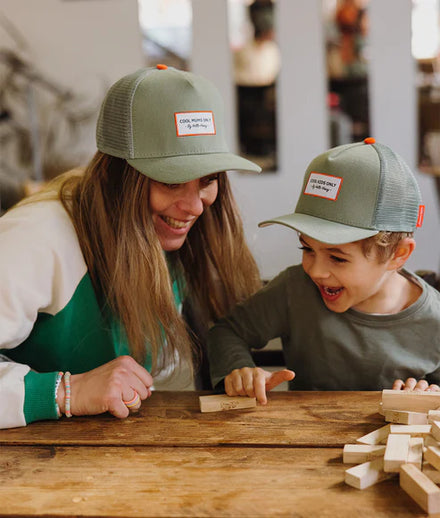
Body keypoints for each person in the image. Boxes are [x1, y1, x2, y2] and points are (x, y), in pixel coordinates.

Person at [0, 65, 262, 429]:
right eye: (171, 181)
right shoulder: (34, 238)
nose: (195, 207)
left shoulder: (171, 238)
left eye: (208, 180)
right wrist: (66, 392)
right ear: (115, 176)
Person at [207, 138, 440, 404]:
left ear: (398, 254)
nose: (316, 271)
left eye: (337, 258)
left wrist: (428, 395)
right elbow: (226, 332)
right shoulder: (294, 288)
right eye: (307, 249)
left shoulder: (435, 323)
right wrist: (239, 370)